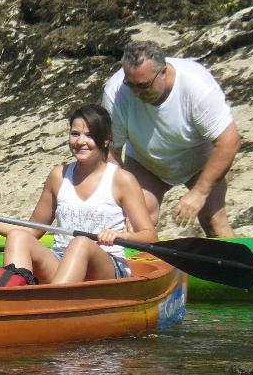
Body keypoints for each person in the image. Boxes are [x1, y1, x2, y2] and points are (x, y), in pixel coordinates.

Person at [0, 104, 157, 284]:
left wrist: (120, 235)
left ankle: (52, 302)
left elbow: (149, 236)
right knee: (18, 237)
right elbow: (32, 231)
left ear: (105, 140)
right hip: (60, 262)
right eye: (75, 134)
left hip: (106, 267)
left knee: (81, 243)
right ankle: (14, 299)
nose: (80, 141)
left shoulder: (122, 179)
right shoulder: (58, 176)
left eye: (89, 135)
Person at [101, 41, 241, 238]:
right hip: (146, 163)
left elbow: (229, 141)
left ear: (164, 72)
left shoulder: (195, 84)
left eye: (144, 86)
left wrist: (199, 193)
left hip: (199, 161)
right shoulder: (116, 92)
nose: (136, 93)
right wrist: (120, 194)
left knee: (214, 219)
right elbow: (111, 152)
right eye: (130, 85)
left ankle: (238, 260)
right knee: (134, 224)